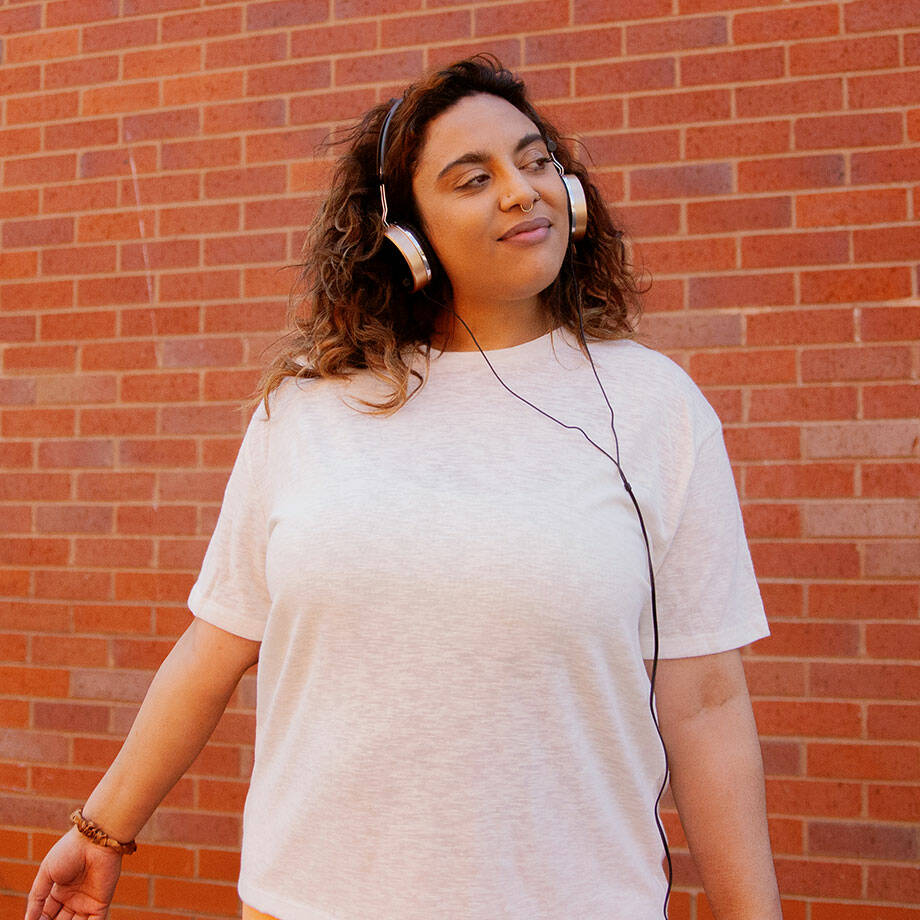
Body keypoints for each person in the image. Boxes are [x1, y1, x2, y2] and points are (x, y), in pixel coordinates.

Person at [26, 55, 782, 920]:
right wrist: (102, 830)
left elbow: (707, 699)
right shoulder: (308, 407)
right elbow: (216, 644)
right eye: (474, 177)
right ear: (404, 231)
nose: (521, 191)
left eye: (536, 161)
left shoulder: (657, 408)